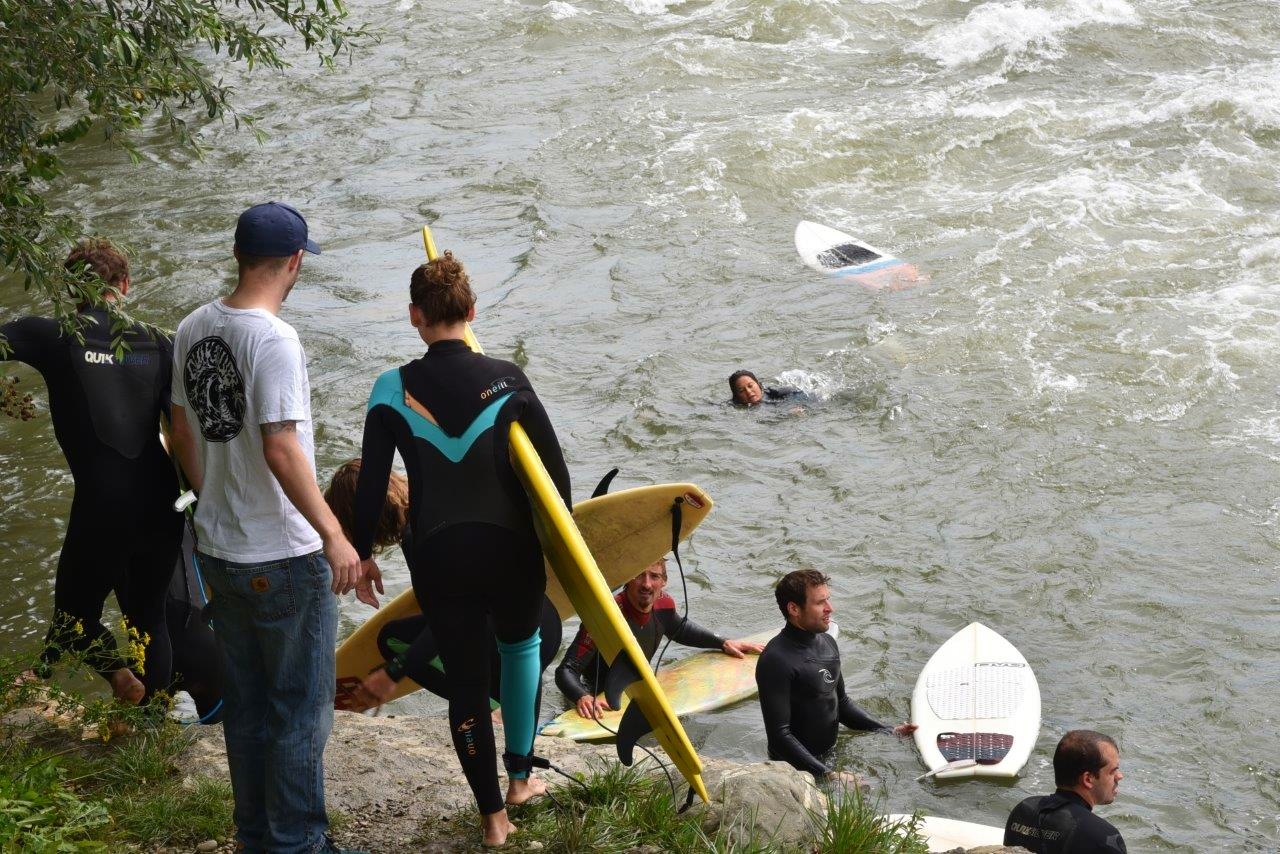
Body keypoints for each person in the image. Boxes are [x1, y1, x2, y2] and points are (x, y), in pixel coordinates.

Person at [168, 202, 369, 854]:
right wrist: (335, 535)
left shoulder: (193, 326)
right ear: (294, 261)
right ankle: (300, 845)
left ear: (237, 255)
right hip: (282, 555)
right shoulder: (274, 340)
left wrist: (211, 500)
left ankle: (258, 838)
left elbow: (179, 429)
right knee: (300, 715)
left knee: (249, 709)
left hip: (220, 552)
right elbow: (281, 447)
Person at [349, 250, 566, 848]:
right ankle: (520, 779)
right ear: (471, 312)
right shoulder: (508, 377)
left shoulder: (389, 389)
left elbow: (371, 484)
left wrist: (364, 552)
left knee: (468, 685)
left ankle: (494, 821)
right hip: (509, 549)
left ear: (415, 316)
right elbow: (554, 476)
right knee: (520, 654)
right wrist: (558, 548)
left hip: (440, 554)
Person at [1, 238, 182, 705]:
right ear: (124, 285)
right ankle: (150, 725)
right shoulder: (162, 343)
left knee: (73, 617)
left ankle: (122, 681)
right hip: (164, 499)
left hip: (104, 502)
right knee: (149, 618)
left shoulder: (53, 334)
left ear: (67, 286)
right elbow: (182, 433)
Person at [322, 459, 561, 714]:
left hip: (511, 647)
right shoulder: (435, 502)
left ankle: (490, 704)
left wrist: (392, 674)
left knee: (391, 640)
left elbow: (452, 623)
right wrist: (364, 555)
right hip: (546, 623)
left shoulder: (419, 541)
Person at [555, 556, 766, 720]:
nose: (647, 584)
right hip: (597, 697)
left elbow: (680, 629)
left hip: (634, 687)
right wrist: (581, 696)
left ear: (664, 582)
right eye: (639, 575)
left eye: (654, 576)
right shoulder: (605, 617)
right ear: (628, 579)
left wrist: (722, 642)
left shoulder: (663, 605)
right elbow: (567, 669)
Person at [755, 569, 916, 785]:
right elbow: (779, 736)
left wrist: (888, 730)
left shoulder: (828, 643)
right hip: (793, 772)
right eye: (820, 603)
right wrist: (829, 775)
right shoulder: (775, 660)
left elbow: (842, 704)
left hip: (828, 760)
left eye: (828, 600)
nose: (830, 608)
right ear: (793, 608)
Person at [1004, 730, 1127, 853]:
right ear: (1088, 779)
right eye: (1113, 771)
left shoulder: (1022, 811)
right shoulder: (1104, 837)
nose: (1120, 776)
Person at [728, 369, 804, 407]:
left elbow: (802, 394)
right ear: (736, 396)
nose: (748, 391)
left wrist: (795, 407)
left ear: (758, 384)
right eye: (741, 390)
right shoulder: (734, 405)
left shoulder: (777, 393)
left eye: (750, 386)